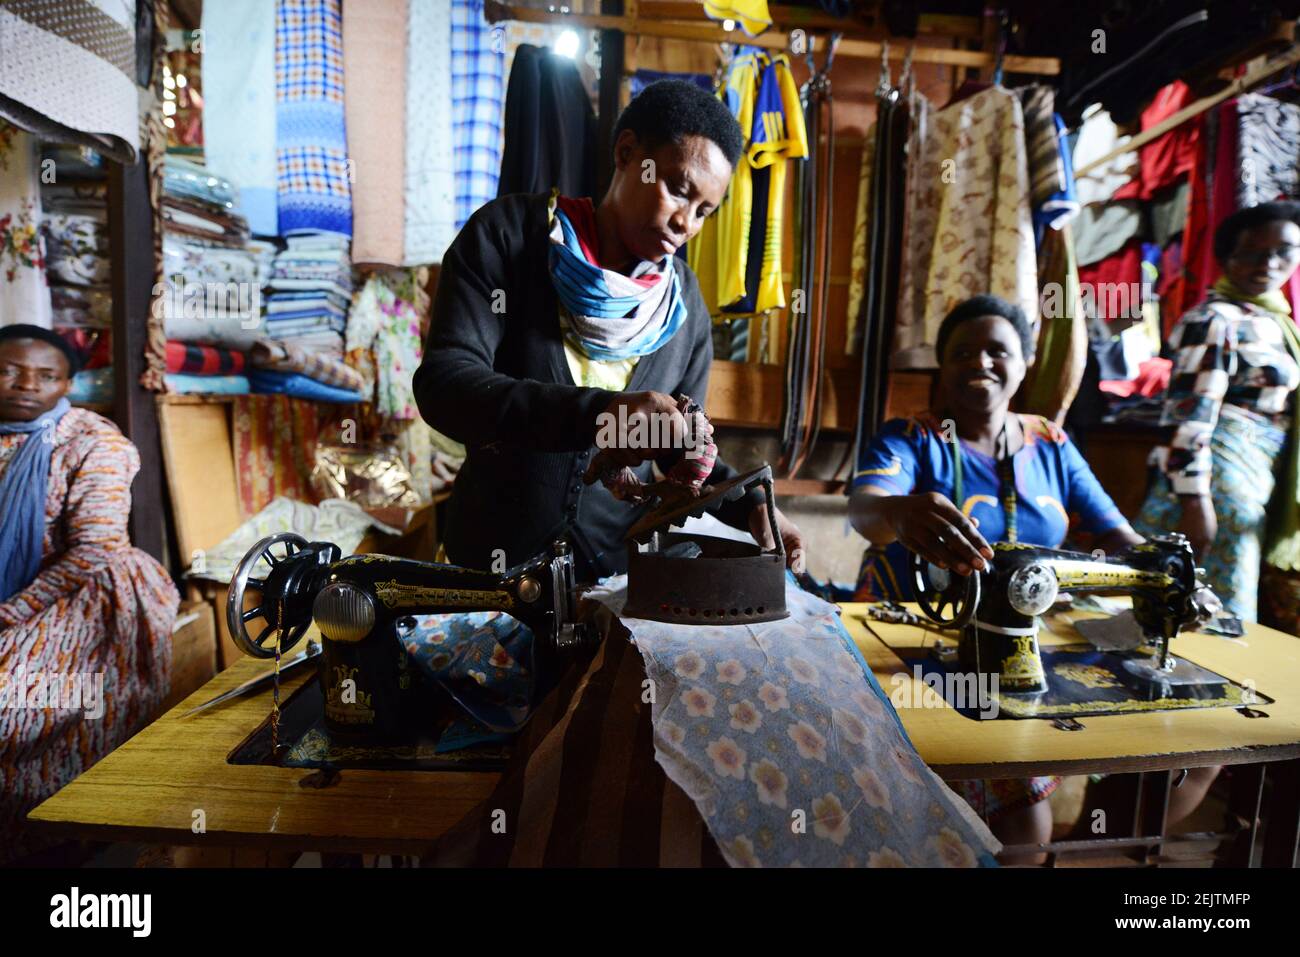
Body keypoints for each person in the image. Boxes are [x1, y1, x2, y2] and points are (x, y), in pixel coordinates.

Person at [413, 79, 805, 581]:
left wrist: (751, 503)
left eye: (705, 210)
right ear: (626, 154)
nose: (686, 222)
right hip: (489, 572)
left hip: (614, 589)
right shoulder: (508, 238)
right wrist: (601, 414)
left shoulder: (683, 310)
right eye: (678, 190)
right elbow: (445, 386)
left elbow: (681, 453)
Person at [847, 295, 1144, 862]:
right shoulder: (911, 438)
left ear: (1025, 362)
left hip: (1014, 648)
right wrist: (898, 512)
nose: (979, 362)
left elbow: (1114, 533)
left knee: (1024, 818)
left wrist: (1152, 565)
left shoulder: (1052, 444)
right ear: (942, 364)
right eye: (961, 352)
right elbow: (867, 510)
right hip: (903, 640)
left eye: (996, 350)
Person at [0, 324, 177, 863]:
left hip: (84, 591)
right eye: (8, 370)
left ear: (68, 383)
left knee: (17, 707)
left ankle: (53, 832)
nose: (26, 385)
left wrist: (11, 612)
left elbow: (93, 549)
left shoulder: (93, 442)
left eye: (46, 375)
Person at [1135, 201, 1300, 634]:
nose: (1269, 263)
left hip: (1256, 471)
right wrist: (1195, 502)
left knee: (1197, 599)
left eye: (1284, 251)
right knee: (1213, 603)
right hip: (1220, 478)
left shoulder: (1274, 321)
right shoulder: (1215, 319)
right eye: (1252, 253)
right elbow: (1188, 415)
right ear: (1227, 258)